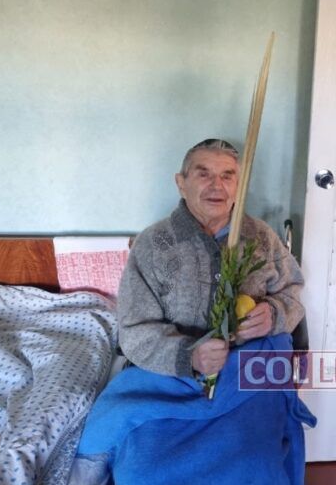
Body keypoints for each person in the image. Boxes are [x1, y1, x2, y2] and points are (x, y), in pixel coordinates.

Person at [71, 138, 312, 485]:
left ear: (239, 185)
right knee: (145, 470)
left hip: (248, 374)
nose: (217, 185)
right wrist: (190, 355)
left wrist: (273, 314)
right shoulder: (152, 244)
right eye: (204, 174)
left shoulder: (262, 237)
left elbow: (293, 293)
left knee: (255, 464)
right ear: (181, 183)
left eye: (228, 176)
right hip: (168, 380)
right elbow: (134, 329)